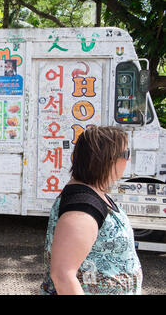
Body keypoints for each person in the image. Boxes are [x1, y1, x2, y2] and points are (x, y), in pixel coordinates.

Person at [40, 126, 142, 295]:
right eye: (126, 154)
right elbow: (62, 275)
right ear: (106, 159)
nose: (129, 159)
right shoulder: (83, 209)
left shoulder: (93, 193)